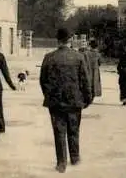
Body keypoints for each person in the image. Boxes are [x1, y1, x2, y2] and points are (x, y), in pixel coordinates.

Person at [40, 28, 92, 173]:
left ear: (58, 40)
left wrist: (49, 95)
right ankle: (74, 157)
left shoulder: (49, 57)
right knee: (74, 129)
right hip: (75, 100)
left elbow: (43, 80)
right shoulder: (79, 57)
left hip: (55, 101)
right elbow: (85, 80)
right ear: (70, 40)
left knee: (59, 131)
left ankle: (61, 163)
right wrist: (87, 98)